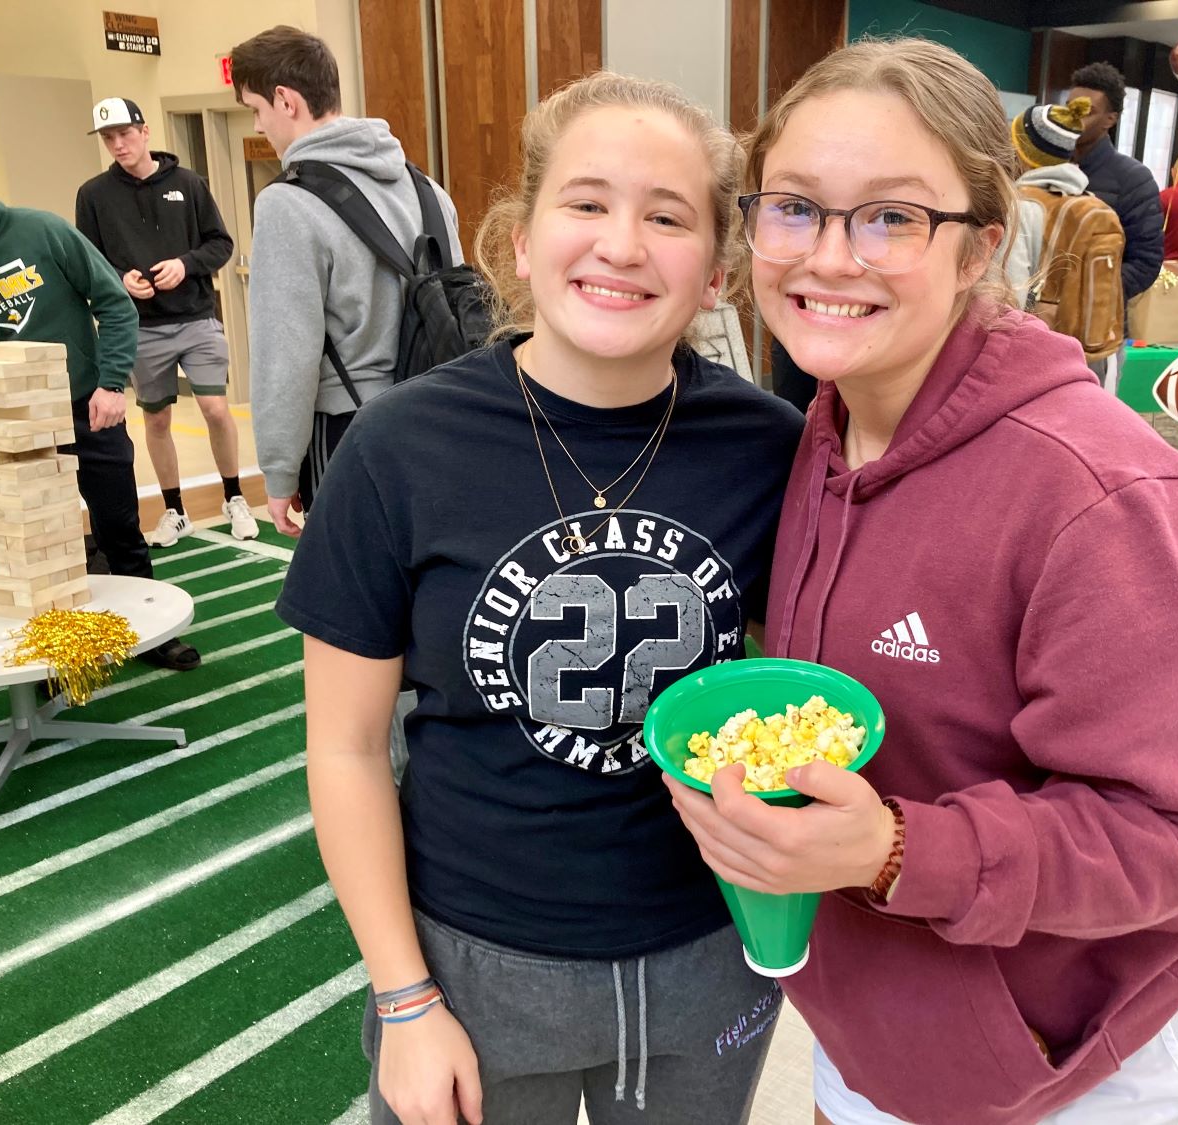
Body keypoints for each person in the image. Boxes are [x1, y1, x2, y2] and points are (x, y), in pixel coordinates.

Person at [666, 39, 1178, 1125]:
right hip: (872, 1027)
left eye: (891, 217)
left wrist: (896, 849)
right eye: (794, 207)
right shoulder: (819, 440)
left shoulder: (1108, 495)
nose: (829, 258)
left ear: (982, 246)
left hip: (1074, 1065)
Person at [274, 72, 805, 1125]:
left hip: (704, 949)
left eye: (667, 217)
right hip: (468, 956)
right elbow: (342, 748)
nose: (621, 243)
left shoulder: (772, 451)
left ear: (716, 271)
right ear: (519, 239)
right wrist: (406, 996)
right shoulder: (401, 447)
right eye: (587, 203)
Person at [0, 158, 199, 669]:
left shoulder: (42, 231)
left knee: (119, 526)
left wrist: (112, 383)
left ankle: (150, 631)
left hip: (84, 407)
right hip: (7, 428)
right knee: (26, 548)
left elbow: (115, 305)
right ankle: (44, 657)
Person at [231, 25, 463, 539]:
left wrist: (279, 468)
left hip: (351, 433)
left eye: (256, 109)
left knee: (343, 606)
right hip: (443, 418)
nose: (259, 124)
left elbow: (284, 352)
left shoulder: (287, 203)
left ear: (286, 101)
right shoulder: (428, 189)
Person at [76, 96, 257, 547]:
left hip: (195, 317)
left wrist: (186, 264)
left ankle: (234, 496)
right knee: (156, 419)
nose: (118, 145)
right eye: (108, 138)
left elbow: (221, 243)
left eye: (124, 134)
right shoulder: (94, 195)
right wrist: (120, 280)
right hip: (139, 327)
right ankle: (175, 510)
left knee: (216, 408)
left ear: (145, 132)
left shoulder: (189, 183)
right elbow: (87, 260)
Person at [1002, 96, 1116, 305]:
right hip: (1085, 335)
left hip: (1037, 333)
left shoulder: (1020, 208)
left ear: (1023, 153)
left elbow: (1011, 296)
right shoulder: (1088, 201)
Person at [1067, 62, 1163, 309]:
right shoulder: (1044, 168)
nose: (1074, 119)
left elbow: (1146, 262)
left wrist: (1088, 292)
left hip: (1097, 325)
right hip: (1037, 320)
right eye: (1070, 108)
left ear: (1110, 119)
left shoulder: (1133, 178)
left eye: (1087, 111)